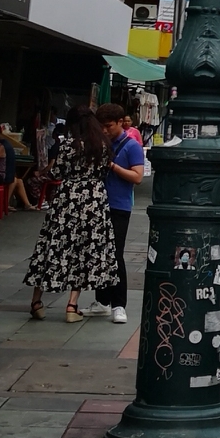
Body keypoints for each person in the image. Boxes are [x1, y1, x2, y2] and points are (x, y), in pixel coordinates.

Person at [24, 107, 118, 322]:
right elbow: (104, 171)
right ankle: (72, 305)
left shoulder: (67, 145)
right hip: (94, 200)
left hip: (67, 198)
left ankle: (37, 302)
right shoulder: (102, 145)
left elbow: (56, 173)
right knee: (83, 250)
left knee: (52, 246)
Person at [90, 104, 145, 324]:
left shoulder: (131, 146)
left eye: (108, 126)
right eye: (101, 126)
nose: (104, 131)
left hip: (119, 206)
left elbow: (137, 177)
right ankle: (101, 301)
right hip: (97, 204)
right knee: (97, 253)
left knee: (115, 254)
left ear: (120, 123)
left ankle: (119, 304)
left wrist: (112, 166)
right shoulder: (100, 144)